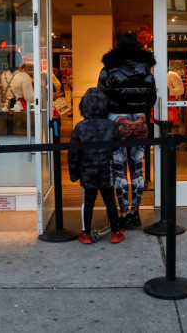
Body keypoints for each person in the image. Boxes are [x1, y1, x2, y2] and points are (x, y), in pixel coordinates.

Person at [98, 33, 157, 229]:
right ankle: (136, 213)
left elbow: (101, 95)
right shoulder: (147, 70)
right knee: (138, 169)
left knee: (119, 170)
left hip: (117, 120)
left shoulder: (109, 68)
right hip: (140, 119)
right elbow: (152, 99)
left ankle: (123, 213)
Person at [68, 87, 125, 244]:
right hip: (106, 169)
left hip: (87, 172)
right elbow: (116, 146)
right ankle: (115, 232)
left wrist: (73, 173)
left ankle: (86, 234)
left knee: (88, 203)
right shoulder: (111, 125)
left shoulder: (80, 127)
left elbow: (73, 154)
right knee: (110, 202)